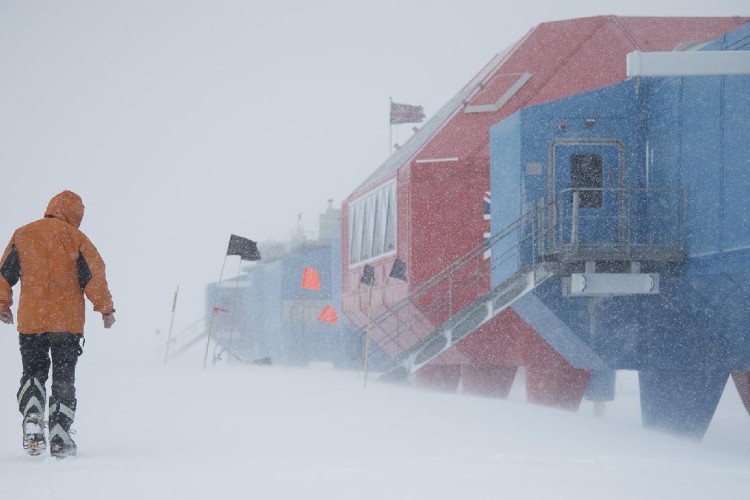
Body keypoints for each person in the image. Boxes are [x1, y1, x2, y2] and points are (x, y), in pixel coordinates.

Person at [0, 190, 115, 458]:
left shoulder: (23, 234)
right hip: (67, 324)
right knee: (63, 378)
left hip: (32, 323)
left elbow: (4, 273)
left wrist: (2, 304)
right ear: (76, 214)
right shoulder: (76, 238)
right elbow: (94, 276)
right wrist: (106, 309)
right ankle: (60, 435)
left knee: (33, 371)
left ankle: (32, 415)